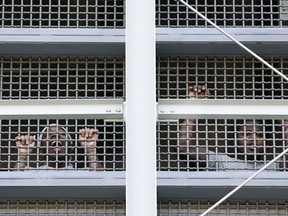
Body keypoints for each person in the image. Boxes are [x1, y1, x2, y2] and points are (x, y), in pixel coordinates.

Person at [179, 85, 280, 171]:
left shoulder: (275, 166)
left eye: (259, 135)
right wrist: (193, 105)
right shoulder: (222, 162)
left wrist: (283, 118)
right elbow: (184, 149)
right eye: (246, 134)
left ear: (266, 140)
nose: (253, 139)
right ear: (235, 139)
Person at [14, 124, 102, 171]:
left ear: (70, 148)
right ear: (41, 150)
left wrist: (91, 151)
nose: (55, 136)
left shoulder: (80, 174)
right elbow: (15, 184)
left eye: (62, 134)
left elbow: (99, 182)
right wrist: (23, 155)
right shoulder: (31, 173)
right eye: (48, 135)